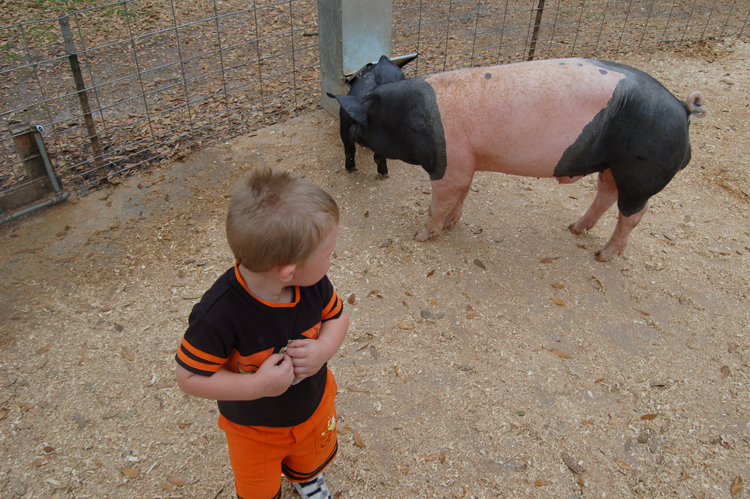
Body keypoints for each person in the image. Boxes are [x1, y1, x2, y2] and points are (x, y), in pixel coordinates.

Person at [175, 166, 349, 499]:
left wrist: (323, 350)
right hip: (253, 430)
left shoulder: (312, 285)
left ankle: (307, 478)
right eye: (328, 254)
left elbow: (338, 316)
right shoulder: (218, 315)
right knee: (259, 489)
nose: (332, 260)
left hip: (312, 408)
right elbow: (189, 377)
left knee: (310, 459)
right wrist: (256, 385)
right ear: (288, 271)